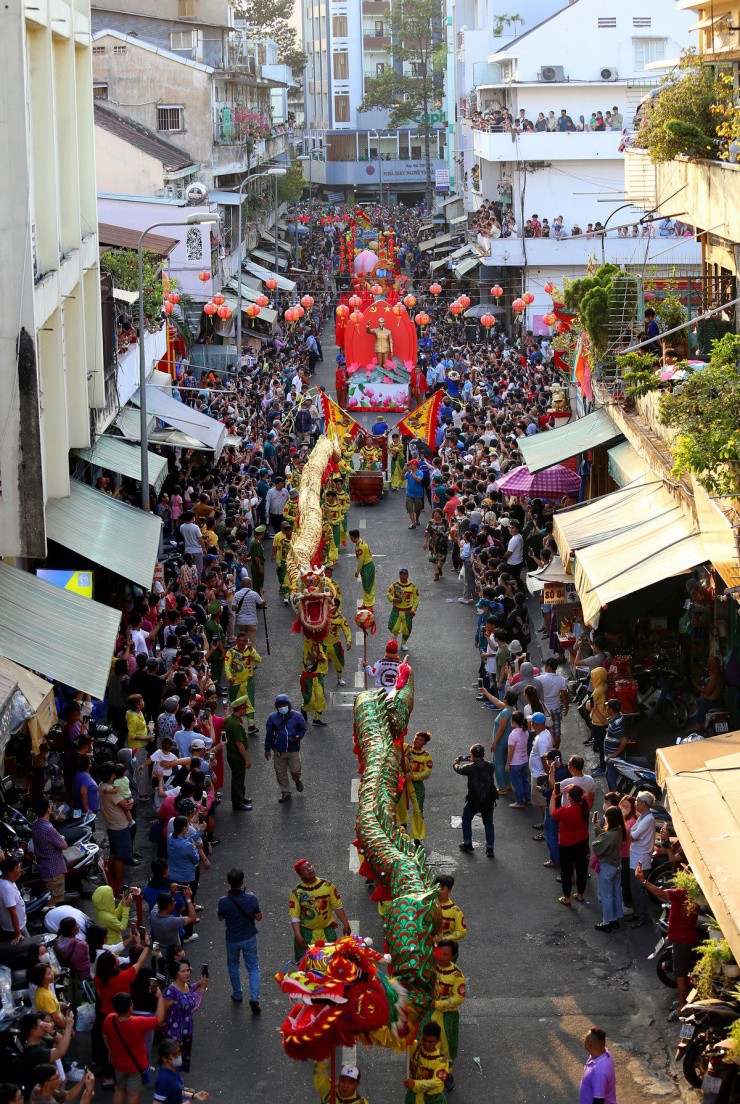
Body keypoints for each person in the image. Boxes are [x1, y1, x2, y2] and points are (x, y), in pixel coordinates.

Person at [635, 864, 698, 1012]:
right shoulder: (695, 893)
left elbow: (660, 893)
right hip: (687, 935)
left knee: (680, 972)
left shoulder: (683, 893)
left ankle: (682, 1005)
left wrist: (643, 881)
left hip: (681, 938)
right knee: (682, 969)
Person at [103, 990, 165, 1104]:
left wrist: (110, 1051)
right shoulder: (138, 1022)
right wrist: (160, 998)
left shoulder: (109, 1019)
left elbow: (105, 1036)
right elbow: (159, 1019)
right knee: (133, 1093)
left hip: (118, 1063)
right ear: (130, 1007)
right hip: (136, 1065)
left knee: (119, 1089)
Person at [217, 868, 262, 1012]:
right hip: (249, 937)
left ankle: (237, 994)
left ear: (228, 882)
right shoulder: (251, 898)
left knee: (233, 966)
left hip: (232, 939)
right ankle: (254, 997)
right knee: (253, 967)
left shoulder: (223, 901)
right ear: (243, 882)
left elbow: (220, 917)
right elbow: (259, 917)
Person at [289, 859, 351, 959]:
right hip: (307, 934)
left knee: (331, 962)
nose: (309, 869)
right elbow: (294, 916)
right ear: (300, 875)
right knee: (307, 964)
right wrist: (298, 935)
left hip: (327, 931)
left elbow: (337, 906)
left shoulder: (327, 885)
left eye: (309, 866)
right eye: (304, 869)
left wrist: (346, 924)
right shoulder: (296, 893)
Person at [428, 940, 465, 1090]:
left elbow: (458, 998)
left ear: (452, 956)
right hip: (429, 1013)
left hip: (447, 1016)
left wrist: (438, 1004)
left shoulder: (456, 975)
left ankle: (446, 1074)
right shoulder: (429, 968)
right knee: (426, 1042)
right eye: (439, 953)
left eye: (446, 954)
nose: (442, 957)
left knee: (448, 1046)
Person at [161, 959, 207, 1073]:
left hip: (187, 1030)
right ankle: (175, 1086)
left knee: (182, 1061)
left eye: (188, 970)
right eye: (183, 971)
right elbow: (194, 1007)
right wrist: (202, 990)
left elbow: (190, 989)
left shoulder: (186, 985)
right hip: (175, 1033)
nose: (187, 973)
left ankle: (179, 1084)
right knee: (173, 1062)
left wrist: (201, 983)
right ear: (176, 973)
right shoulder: (170, 992)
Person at [453, 743, 497, 857]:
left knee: (466, 818)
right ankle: (490, 848)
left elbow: (458, 769)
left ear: (472, 755)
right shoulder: (491, 766)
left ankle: (467, 843)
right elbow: (483, 765)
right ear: (483, 754)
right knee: (488, 823)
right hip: (489, 800)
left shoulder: (468, 768)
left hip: (474, 800)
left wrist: (456, 762)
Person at [551, 783, 590, 906]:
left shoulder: (564, 811)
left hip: (566, 844)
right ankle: (580, 894)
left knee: (566, 871)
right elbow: (586, 793)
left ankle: (567, 897)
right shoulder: (584, 805)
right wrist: (576, 786)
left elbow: (553, 813)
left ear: (570, 798)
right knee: (581, 869)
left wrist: (553, 796)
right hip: (582, 842)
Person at [264, 694, 307, 803]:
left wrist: (298, 737)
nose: (282, 707)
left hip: (293, 750)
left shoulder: (297, 716)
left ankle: (297, 780)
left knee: (295, 770)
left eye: (284, 704)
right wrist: (267, 749)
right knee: (280, 773)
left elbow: (303, 729)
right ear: (276, 706)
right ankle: (286, 792)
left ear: (288, 704)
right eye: (279, 705)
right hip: (279, 751)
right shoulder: (272, 718)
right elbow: (269, 734)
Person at [592, 806, 626, 932]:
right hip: (617, 865)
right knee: (616, 893)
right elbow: (605, 837)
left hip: (607, 867)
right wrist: (598, 828)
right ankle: (615, 918)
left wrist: (597, 834)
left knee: (606, 895)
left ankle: (606, 921)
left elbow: (597, 847)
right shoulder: (619, 831)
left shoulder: (609, 835)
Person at [29, 800, 67, 907]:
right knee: (53, 901)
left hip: (44, 868)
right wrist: (62, 838)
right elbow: (64, 845)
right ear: (48, 810)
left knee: (48, 897)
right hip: (54, 870)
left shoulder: (36, 825)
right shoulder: (48, 829)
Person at [397, 731, 433, 844]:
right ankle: (402, 825)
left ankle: (417, 837)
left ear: (424, 743)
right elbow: (394, 744)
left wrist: (413, 776)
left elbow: (426, 773)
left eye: (420, 740)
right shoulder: (405, 748)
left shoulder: (426, 757)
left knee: (418, 810)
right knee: (400, 806)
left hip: (416, 786)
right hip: (402, 782)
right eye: (416, 738)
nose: (417, 741)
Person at [403, 1021, 449, 1104]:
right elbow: (399, 1042)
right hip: (414, 1097)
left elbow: (436, 1082)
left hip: (433, 1099)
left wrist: (415, 1084)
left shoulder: (442, 1060)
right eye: (424, 1039)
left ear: (438, 1040)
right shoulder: (414, 1046)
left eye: (430, 1041)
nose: (426, 1044)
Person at [628, 791, 656, 927]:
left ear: (644, 804)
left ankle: (642, 916)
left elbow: (633, 835)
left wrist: (632, 833)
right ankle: (638, 913)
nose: (635, 803)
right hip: (636, 856)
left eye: (637, 801)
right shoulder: (642, 817)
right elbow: (632, 831)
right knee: (635, 889)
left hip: (641, 859)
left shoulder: (648, 819)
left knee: (638, 889)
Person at [153, 1039, 210, 1104]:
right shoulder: (164, 1080)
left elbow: (175, 1090)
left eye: (179, 1052)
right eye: (175, 1055)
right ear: (165, 1059)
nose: (179, 1056)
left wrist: (194, 1095)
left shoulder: (174, 1069)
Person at [224, 630, 261, 728]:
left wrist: (252, 651)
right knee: (235, 704)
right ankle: (237, 724)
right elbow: (227, 666)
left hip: (248, 682)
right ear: (236, 641)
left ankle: (251, 725)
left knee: (250, 703)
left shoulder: (249, 650)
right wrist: (229, 677)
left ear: (246, 641)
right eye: (239, 641)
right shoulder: (231, 652)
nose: (241, 643)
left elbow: (259, 660)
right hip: (235, 683)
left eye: (244, 641)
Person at [224, 697, 252, 811]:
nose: (246, 711)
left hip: (232, 754)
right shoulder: (234, 724)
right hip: (237, 755)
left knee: (240, 777)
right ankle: (237, 803)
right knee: (237, 779)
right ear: (241, 709)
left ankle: (241, 797)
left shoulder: (230, 719)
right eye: (245, 708)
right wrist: (246, 759)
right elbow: (239, 743)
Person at [579, 1026, 617, 1104]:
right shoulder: (604, 1053)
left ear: (589, 1044)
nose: (583, 1040)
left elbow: (599, 1100)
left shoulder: (599, 1072)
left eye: (585, 1039)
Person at [527, 712, 553, 825]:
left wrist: (548, 775)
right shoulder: (545, 733)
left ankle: (546, 828)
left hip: (539, 775)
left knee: (543, 804)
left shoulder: (542, 739)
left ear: (535, 724)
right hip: (538, 772)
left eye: (532, 722)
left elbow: (544, 758)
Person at [387, 568, 420, 651]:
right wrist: (393, 599)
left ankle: (403, 643)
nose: (403, 576)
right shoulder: (395, 585)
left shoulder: (413, 587)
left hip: (407, 611)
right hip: (397, 610)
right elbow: (388, 594)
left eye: (404, 574)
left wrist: (413, 610)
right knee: (394, 627)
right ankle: (394, 638)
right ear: (399, 575)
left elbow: (416, 599)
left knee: (407, 629)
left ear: (407, 575)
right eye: (401, 574)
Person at [538, 658, 569, 744]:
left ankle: (546, 751)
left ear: (548, 667)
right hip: (555, 708)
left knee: (543, 732)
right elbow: (564, 697)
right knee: (556, 732)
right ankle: (555, 753)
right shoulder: (562, 679)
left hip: (543, 709)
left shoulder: (540, 679)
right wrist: (566, 708)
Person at [30, 1064, 95, 1104]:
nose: (61, 1079)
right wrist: (89, 1090)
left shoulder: (38, 1087)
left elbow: (69, 1095)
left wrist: (83, 1081)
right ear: (47, 1083)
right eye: (57, 1077)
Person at [301, 638, 329, 726]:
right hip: (307, 679)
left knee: (321, 698)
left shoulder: (319, 647)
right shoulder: (307, 645)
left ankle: (316, 719)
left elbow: (324, 661)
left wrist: (322, 659)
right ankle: (303, 709)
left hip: (318, 678)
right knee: (310, 700)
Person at [506, 711, 530, 809]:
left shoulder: (513, 735)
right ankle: (527, 798)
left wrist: (507, 764)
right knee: (525, 780)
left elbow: (511, 752)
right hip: (524, 760)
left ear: (514, 722)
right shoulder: (526, 732)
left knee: (517, 783)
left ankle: (520, 802)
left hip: (515, 762)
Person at [229, 582, 265, 648]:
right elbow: (262, 603)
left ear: (242, 584)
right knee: (251, 641)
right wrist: (262, 594)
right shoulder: (254, 594)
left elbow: (233, 608)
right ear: (250, 585)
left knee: (242, 640)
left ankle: (243, 654)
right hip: (252, 621)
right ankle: (250, 655)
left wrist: (240, 607)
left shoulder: (237, 594)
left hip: (241, 621)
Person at [435, 875, 467, 944]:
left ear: (449, 890)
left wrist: (444, 939)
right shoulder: (429, 905)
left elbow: (461, 931)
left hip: (446, 949)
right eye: (437, 888)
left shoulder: (455, 911)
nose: (438, 891)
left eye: (442, 889)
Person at [325, 602, 352, 687]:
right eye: (331, 605)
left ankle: (339, 678)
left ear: (337, 607)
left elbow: (346, 630)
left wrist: (348, 641)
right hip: (323, 645)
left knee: (339, 664)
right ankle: (320, 683)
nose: (332, 607)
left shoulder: (341, 618)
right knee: (320, 665)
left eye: (334, 605)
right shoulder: (323, 616)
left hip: (335, 644)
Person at [350, 530, 376, 609]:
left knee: (369, 586)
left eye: (351, 537)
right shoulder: (359, 544)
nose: (350, 539)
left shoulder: (360, 546)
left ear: (353, 537)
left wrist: (357, 571)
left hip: (367, 567)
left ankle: (370, 605)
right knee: (365, 586)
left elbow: (361, 560)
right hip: (365, 567)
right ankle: (366, 603)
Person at [403, 460, 425, 529]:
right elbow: (402, 478)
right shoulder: (408, 473)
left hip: (418, 494)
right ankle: (413, 523)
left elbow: (418, 480)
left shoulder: (420, 472)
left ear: (414, 465)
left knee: (417, 509)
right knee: (409, 508)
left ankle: (417, 518)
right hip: (409, 494)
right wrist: (403, 472)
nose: (409, 466)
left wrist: (411, 473)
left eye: (410, 464)